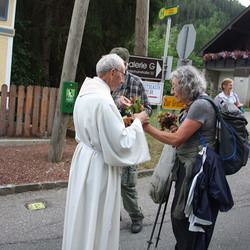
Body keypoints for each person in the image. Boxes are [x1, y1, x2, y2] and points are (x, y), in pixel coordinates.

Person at [62, 53, 150, 250]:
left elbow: (99, 127)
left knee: (84, 213)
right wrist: (138, 122)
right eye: (122, 75)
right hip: (99, 166)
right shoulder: (103, 101)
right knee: (97, 214)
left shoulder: (86, 94)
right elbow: (119, 143)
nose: (123, 80)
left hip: (85, 159)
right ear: (113, 72)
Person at [143, 65, 233, 250]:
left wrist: (146, 127)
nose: (172, 90)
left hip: (197, 172)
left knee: (186, 219)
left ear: (186, 86)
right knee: (182, 216)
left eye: (175, 86)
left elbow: (176, 140)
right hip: (191, 168)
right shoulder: (195, 104)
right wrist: (178, 130)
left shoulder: (200, 105)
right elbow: (185, 135)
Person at [110, 47, 152, 233]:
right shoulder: (104, 82)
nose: (120, 68)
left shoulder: (136, 82)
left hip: (130, 138)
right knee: (110, 180)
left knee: (127, 182)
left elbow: (148, 109)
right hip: (110, 138)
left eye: (123, 64)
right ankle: (112, 214)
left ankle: (136, 217)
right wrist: (116, 102)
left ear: (127, 64)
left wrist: (136, 115)